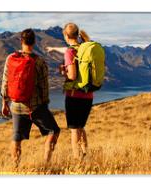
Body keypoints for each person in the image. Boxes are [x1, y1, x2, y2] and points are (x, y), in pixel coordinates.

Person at [1, 28, 61, 167]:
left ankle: (16, 168)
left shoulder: (10, 58)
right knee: (53, 130)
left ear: (21, 41)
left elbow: (5, 82)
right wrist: (44, 104)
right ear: (34, 42)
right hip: (35, 107)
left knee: (16, 138)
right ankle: (46, 163)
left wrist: (4, 103)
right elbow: (44, 86)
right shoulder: (39, 61)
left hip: (16, 105)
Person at [58, 22, 94, 161]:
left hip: (74, 96)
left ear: (66, 36)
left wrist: (63, 71)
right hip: (88, 95)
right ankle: (86, 156)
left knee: (74, 129)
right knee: (81, 126)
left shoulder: (70, 51)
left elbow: (72, 76)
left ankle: (77, 160)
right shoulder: (86, 48)